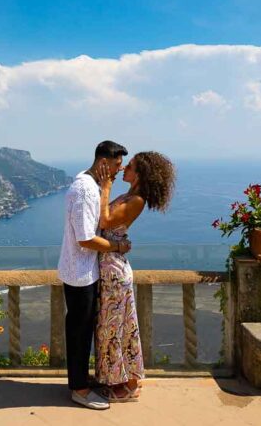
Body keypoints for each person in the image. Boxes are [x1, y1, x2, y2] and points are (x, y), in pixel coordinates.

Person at [94, 151, 175, 402]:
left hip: (114, 270)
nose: (124, 169)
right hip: (110, 266)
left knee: (119, 328)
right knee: (116, 327)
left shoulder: (137, 199)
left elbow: (105, 221)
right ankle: (121, 379)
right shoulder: (128, 196)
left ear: (140, 175)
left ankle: (129, 384)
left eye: (129, 166)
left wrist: (105, 186)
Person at [57, 140, 132, 410]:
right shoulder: (85, 190)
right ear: (103, 163)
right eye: (115, 166)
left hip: (82, 270)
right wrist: (118, 246)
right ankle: (79, 389)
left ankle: (80, 380)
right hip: (80, 273)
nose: (117, 172)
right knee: (79, 330)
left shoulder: (89, 184)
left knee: (84, 328)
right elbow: (86, 238)